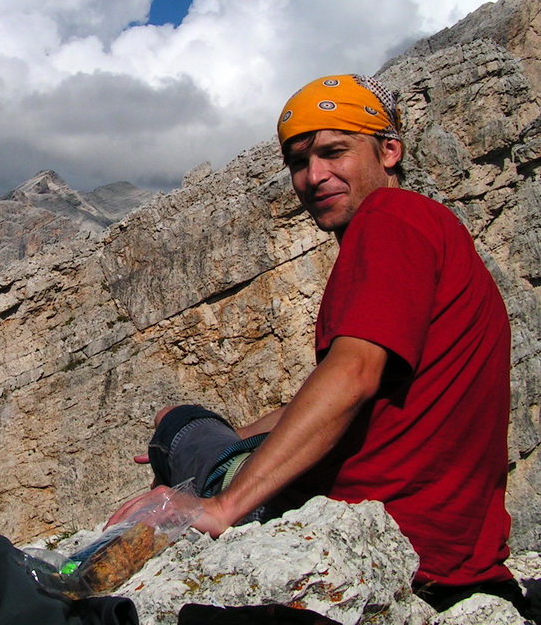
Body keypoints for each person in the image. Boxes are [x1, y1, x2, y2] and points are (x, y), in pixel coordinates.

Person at [109, 74, 524, 613]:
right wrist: (242, 434)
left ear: (389, 151)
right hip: (461, 555)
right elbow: (351, 391)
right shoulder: (437, 234)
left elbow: (352, 377)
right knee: (223, 434)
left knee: (177, 420)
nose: (314, 176)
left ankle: (188, 452)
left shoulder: (389, 218)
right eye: (298, 162)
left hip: (371, 527)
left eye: (334, 152)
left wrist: (223, 506)